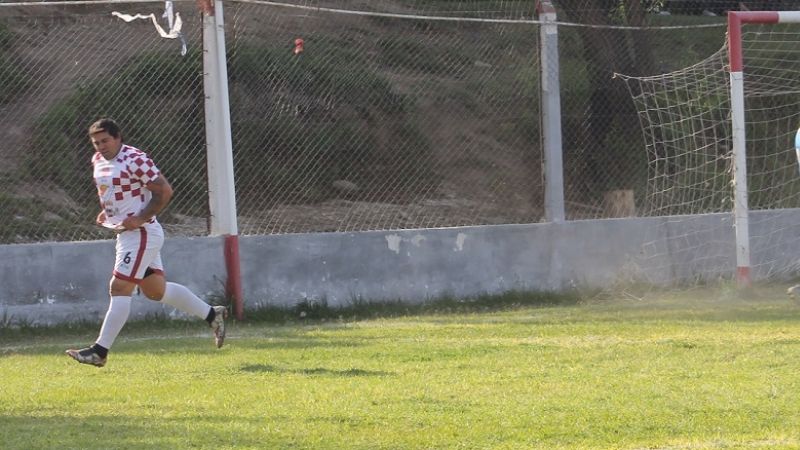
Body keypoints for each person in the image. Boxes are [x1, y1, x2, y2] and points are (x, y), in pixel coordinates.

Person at [66, 118, 227, 367]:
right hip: (127, 234)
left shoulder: (135, 159)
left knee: (119, 287)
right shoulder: (98, 160)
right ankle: (211, 314)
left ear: (118, 137)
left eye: (105, 140)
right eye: (96, 142)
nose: (101, 146)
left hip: (141, 234)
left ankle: (99, 351)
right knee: (156, 292)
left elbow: (165, 191)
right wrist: (108, 212)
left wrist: (141, 217)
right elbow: (110, 189)